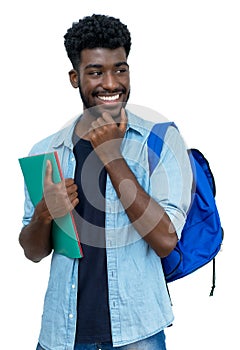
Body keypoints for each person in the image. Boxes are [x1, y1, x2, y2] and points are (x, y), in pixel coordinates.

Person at [19, 14, 192, 350]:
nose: (111, 83)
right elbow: (32, 251)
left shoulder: (158, 141)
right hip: (62, 335)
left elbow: (165, 240)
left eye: (120, 69)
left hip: (137, 334)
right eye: (96, 72)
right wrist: (44, 214)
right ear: (75, 77)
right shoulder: (47, 152)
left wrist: (112, 157)